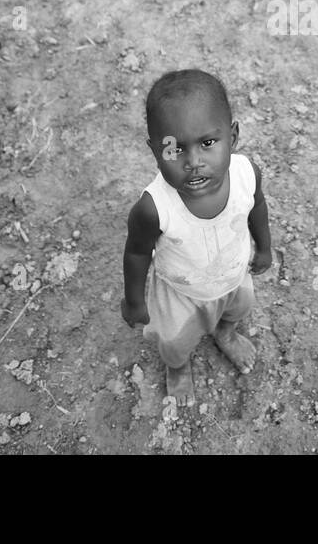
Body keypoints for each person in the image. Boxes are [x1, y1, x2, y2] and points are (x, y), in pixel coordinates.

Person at [121, 69, 273, 405]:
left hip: (233, 275)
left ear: (232, 136)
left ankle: (225, 333)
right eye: (174, 149)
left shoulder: (247, 174)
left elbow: (256, 207)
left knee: (240, 307)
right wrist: (134, 300)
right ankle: (176, 368)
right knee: (174, 341)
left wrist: (264, 247)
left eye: (207, 143)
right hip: (180, 292)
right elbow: (136, 254)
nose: (193, 162)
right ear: (154, 151)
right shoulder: (154, 208)